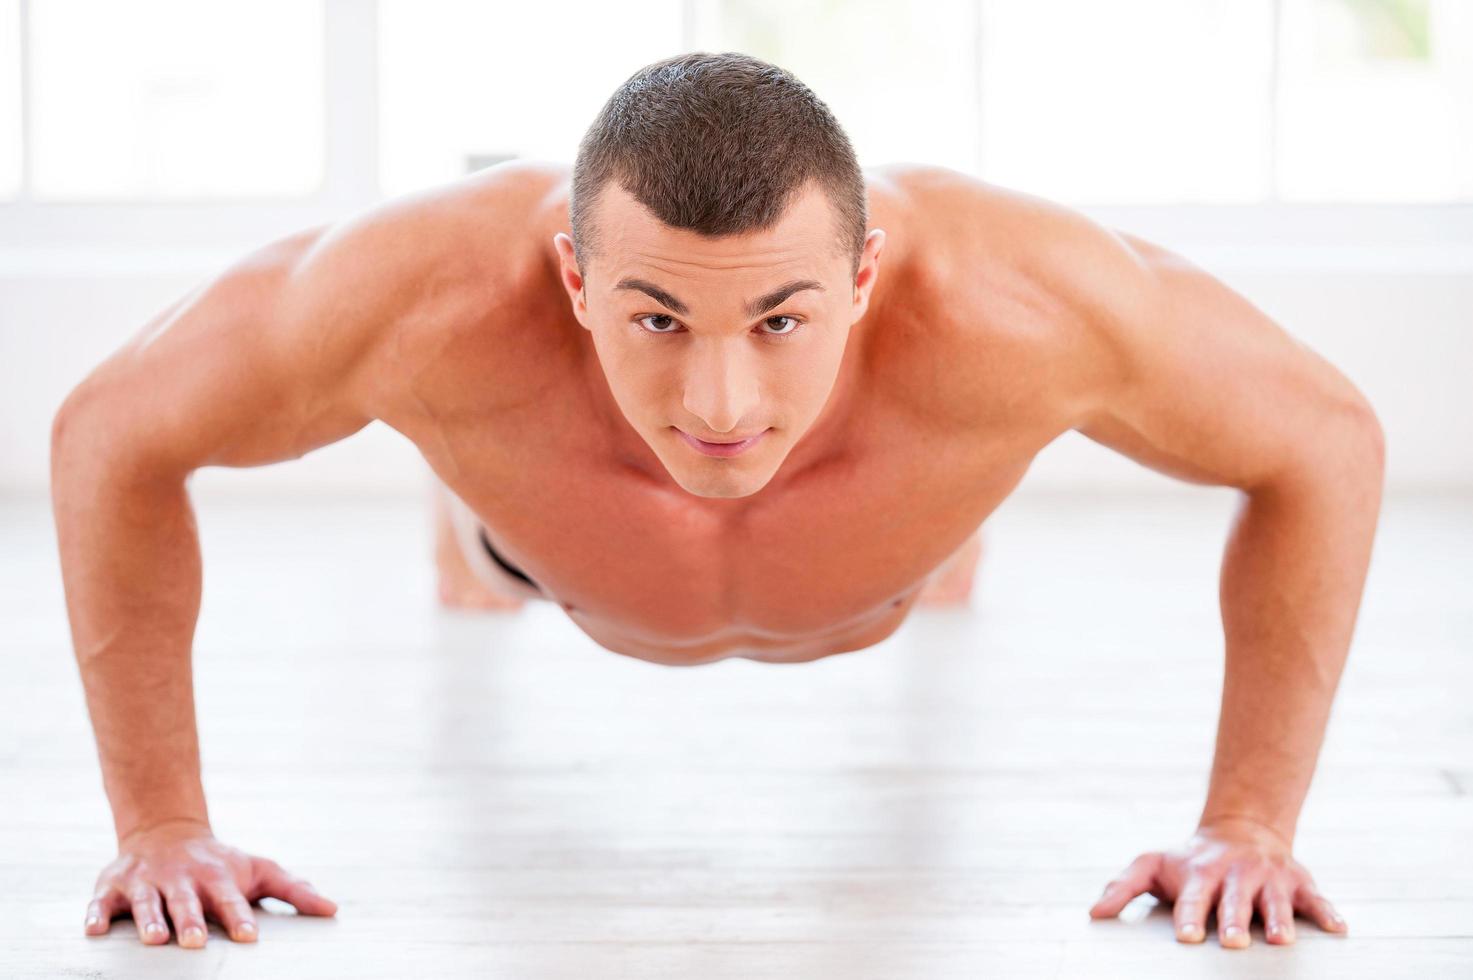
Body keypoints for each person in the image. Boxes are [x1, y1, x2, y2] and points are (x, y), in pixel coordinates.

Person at [50, 51, 1382, 952]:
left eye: (780, 316)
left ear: (863, 277)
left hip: (880, 556)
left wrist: (1244, 826)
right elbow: (110, 431)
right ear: (573, 278)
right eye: (657, 314)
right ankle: (466, 505)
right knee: (486, 545)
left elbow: (1321, 440)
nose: (720, 397)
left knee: (918, 518)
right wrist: (162, 829)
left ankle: (946, 520)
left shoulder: (1024, 305)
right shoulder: (422, 296)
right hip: (548, 535)